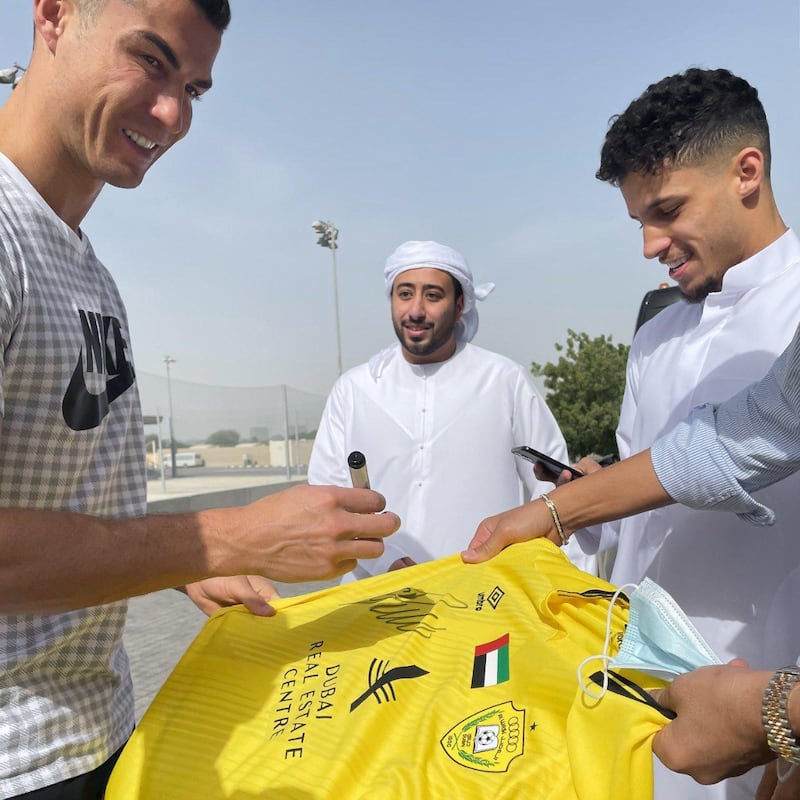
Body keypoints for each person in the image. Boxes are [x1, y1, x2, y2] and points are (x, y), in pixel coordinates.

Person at [0, 2, 399, 798]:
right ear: (52, 16)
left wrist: (176, 569)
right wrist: (221, 538)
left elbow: (52, 495)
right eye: (149, 60)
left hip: (92, 736)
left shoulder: (84, 265)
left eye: (195, 87)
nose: (173, 114)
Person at [469, 67, 800, 800]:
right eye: (638, 221)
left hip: (758, 710)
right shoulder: (657, 322)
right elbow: (678, 461)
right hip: (631, 693)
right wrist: (585, 496)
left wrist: (789, 738)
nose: (651, 244)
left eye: (669, 210)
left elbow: (738, 445)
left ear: (748, 172)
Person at [307, 239, 586, 581]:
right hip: (376, 596)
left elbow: (555, 490)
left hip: (486, 595)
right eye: (405, 294)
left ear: (459, 306)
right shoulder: (354, 389)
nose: (416, 311)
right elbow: (327, 494)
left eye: (433, 296)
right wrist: (385, 560)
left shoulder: (503, 380)